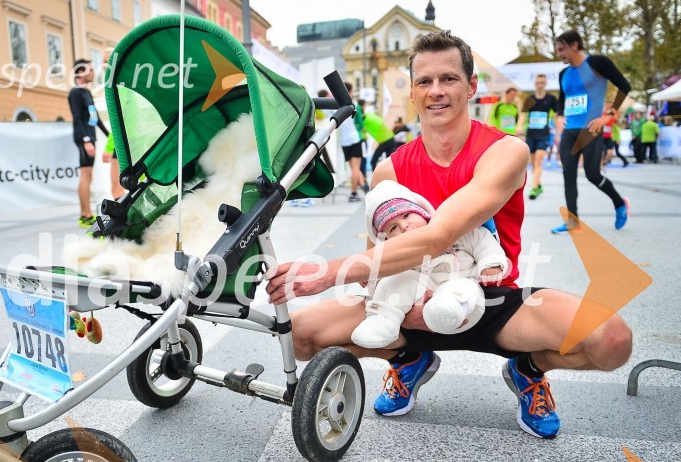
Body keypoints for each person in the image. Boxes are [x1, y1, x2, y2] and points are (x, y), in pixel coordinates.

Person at [265, 30, 632, 440]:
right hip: (412, 299)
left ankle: (528, 369)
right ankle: (407, 358)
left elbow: (439, 235)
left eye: (449, 79)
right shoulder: (390, 169)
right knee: (298, 335)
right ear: (413, 93)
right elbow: (379, 255)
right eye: (424, 81)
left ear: (471, 85)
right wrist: (387, 297)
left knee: (612, 340)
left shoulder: (506, 151)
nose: (436, 91)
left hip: (492, 297)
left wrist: (326, 273)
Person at [351, 180, 507, 350]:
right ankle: (382, 320)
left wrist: (490, 264)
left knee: (464, 288)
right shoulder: (393, 252)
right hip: (418, 292)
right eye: (393, 228)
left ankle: (447, 310)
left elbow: (483, 242)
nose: (404, 226)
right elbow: (383, 276)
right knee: (396, 282)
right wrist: (371, 276)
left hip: (457, 284)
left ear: (422, 212)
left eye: (406, 216)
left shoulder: (451, 231)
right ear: (386, 238)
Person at [552, 30, 631, 234]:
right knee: (568, 174)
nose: (559, 54)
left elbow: (624, 86)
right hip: (569, 131)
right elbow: (562, 102)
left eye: (561, 49)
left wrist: (608, 116)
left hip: (591, 129)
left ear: (574, 45)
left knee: (593, 175)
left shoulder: (598, 63)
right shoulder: (564, 74)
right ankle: (572, 220)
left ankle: (619, 202)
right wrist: (559, 116)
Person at [69, 59, 109, 227]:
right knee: (85, 176)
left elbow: (95, 118)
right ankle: (85, 214)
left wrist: (109, 136)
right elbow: (77, 118)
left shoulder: (86, 92)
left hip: (91, 136)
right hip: (83, 137)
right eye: (90, 70)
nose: (93, 72)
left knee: (89, 175)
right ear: (80, 72)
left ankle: (87, 212)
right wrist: (86, 140)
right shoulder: (76, 93)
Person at [518, 74, 558, 199]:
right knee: (533, 162)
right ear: (535, 84)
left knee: (539, 161)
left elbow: (557, 115)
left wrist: (558, 131)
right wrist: (519, 126)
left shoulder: (551, 99)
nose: (540, 85)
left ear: (545, 84)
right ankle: (538, 184)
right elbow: (523, 114)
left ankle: (534, 189)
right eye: (538, 83)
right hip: (531, 134)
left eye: (542, 82)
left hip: (544, 134)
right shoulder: (529, 99)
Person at [340, 82, 366, 202]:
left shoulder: (337, 105)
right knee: (356, 168)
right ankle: (354, 193)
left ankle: (365, 188)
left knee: (353, 168)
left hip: (344, 142)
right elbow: (360, 124)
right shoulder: (355, 105)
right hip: (355, 139)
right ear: (350, 91)